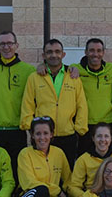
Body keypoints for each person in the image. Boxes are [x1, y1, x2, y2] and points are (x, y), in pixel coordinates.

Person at [20, 39, 88, 168]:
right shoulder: (34, 77)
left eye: (57, 52)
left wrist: (79, 129)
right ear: (43, 56)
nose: (54, 55)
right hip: (43, 136)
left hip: (67, 135)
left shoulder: (73, 76)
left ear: (63, 54)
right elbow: (27, 104)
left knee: (67, 172)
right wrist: (30, 127)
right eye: (49, 52)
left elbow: (81, 104)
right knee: (42, 171)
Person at [0, 31, 36, 179]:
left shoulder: (28, 71)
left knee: (17, 169)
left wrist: (71, 68)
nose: (6, 47)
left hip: (16, 130)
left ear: (16, 45)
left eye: (10, 43)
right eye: (3, 44)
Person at [71, 38, 112, 156]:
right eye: (91, 50)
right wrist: (43, 64)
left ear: (103, 52)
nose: (95, 54)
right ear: (86, 52)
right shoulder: (75, 69)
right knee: (84, 160)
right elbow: (57, 68)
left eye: (99, 51)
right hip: (84, 125)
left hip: (106, 123)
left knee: (107, 160)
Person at [65, 122, 112, 197]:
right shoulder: (83, 159)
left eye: (106, 136)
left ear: (111, 138)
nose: (103, 140)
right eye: (99, 136)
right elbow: (73, 187)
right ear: (93, 138)